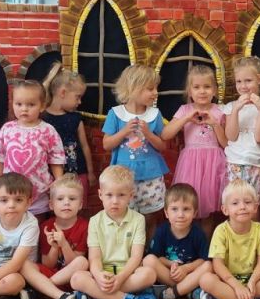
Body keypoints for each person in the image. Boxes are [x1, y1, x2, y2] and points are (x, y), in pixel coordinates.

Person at [70, 165, 158, 299]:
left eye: (121, 195)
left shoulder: (138, 220)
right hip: (104, 274)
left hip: (128, 274)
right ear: (100, 194)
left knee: (149, 274)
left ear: (131, 195)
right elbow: (94, 258)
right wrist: (98, 275)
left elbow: (136, 257)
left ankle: (96, 296)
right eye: (109, 195)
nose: (115, 201)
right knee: (76, 278)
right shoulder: (95, 221)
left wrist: (120, 278)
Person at [198, 179, 260, 299]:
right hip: (227, 281)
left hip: (251, 280)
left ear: (255, 207)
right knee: (205, 280)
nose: (242, 207)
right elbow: (218, 265)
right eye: (235, 203)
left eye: (248, 202)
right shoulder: (221, 231)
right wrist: (236, 286)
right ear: (225, 210)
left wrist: (253, 281)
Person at [102, 64, 168, 239]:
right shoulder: (116, 114)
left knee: (150, 218)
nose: (155, 93)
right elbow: (106, 144)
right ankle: (127, 250)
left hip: (150, 176)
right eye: (150, 89)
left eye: (156, 88)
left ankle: (147, 250)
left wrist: (148, 134)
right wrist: (124, 132)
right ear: (133, 88)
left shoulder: (155, 114)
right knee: (124, 217)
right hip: (123, 178)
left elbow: (162, 146)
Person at [161, 65, 227, 238]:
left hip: (213, 164)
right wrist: (186, 119)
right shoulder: (184, 110)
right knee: (187, 205)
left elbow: (225, 143)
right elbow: (166, 134)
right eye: (196, 87)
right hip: (190, 164)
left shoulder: (220, 111)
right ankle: (187, 244)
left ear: (215, 90)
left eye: (207, 87)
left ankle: (204, 246)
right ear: (189, 91)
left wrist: (214, 124)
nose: (202, 91)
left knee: (208, 211)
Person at [0, 80, 65, 219]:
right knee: (11, 224)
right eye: (19, 104)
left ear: (42, 106)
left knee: (36, 226)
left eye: (31, 105)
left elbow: (56, 158)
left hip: (38, 192)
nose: (24, 109)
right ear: (12, 104)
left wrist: (59, 181)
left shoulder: (48, 130)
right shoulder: (7, 128)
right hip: (10, 192)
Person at [19, 174, 90, 299]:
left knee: (82, 262)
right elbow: (48, 264)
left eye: (72, 199)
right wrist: (54, 247)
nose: (66, 203)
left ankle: (40, 291)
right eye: (60, 199)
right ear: (51, 205)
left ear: (80, 204)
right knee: (24, 264)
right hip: (51, 273)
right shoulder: (46, 226)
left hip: (72, 278)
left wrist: (64, 244)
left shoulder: (85, 226)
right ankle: (54, 292)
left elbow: (74, 263)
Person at [222, 56, 260, 206]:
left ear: (259, 79)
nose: (243, 86)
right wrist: (235, 110)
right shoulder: (231, 107)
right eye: (239, 81)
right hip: (234, 162)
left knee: (254, 205)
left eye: (248, 81)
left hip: (257, 164)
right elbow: (231, 136)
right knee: (235, 204)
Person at [143, 183, 211, 299]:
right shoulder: (162, 231)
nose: (180, 215)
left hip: (190, 275)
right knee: (148, 260)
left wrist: (185, 268)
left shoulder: (198, 233)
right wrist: (171, 264)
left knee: (209, 266)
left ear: (195, 213)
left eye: (186, 209)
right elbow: (157, 257)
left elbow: (203, 260)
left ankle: (174, 292)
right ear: (166, 213)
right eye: (174, 209)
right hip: (169, 275)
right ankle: (188, 291)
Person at [41, 62, 96, 208]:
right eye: (77, 97)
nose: (80, 102)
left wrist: (90, 172)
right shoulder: (42, 118)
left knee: (77, 208)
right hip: (51, 177)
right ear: (63, 92)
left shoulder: (75, 118)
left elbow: (84, 146)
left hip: (78, 174)